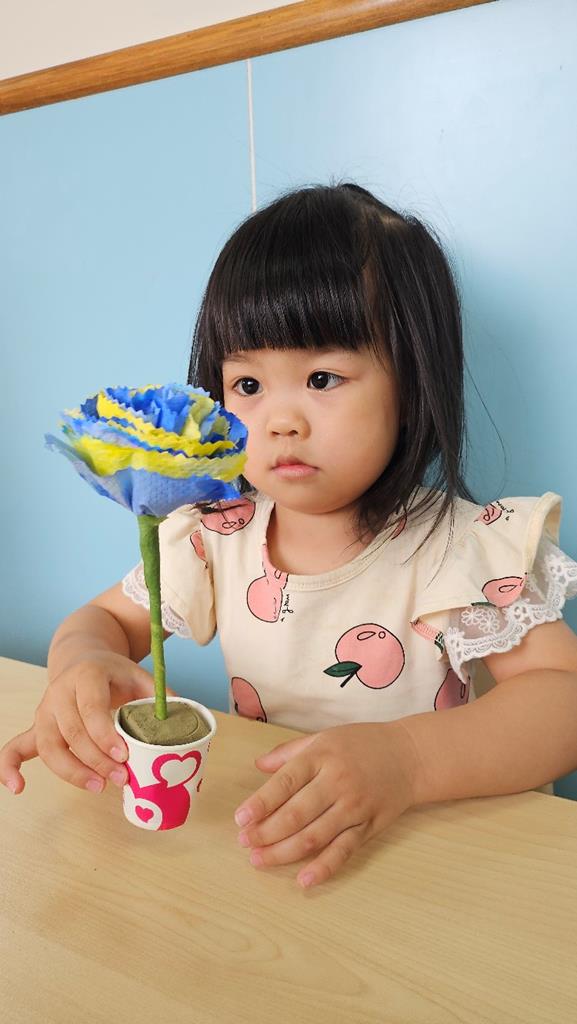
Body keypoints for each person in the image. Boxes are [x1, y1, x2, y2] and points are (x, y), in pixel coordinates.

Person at [2, 183, 577, 889]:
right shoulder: (217, 533)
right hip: (275, 851)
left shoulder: (460, 548)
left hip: (424, 864)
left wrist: (406, 760)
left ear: (411, 385)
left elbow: (562, 700)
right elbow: (101, 622)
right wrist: (81, 666)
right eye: (248, 386)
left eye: (322, 377)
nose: (279, 421)